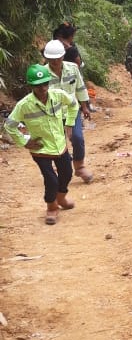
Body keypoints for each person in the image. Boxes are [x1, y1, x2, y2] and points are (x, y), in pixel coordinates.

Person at [3, 64, 78, 224]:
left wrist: (70, 123)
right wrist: (24, 141)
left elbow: (73, 104)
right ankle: (52, 207)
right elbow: (9, 125)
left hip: (60, 144)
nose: (43, 88)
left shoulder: (58, 95)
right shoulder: (24, 105)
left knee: (67, 173)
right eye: (38, 85)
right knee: (51, 180)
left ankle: (61, 198)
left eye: (45, 84)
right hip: (40, 149)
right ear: (31, 86)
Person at [43, 39, 93, 183]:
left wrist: (85, 107)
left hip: (72, 110)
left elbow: (80, 87)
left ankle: (79, 166)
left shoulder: (72, 69)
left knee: (77, 138)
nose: (55, 61)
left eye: (58, 58)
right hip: (53, 114)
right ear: (47, 58)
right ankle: (60, 170)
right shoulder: (43, 74)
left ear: (63, 56)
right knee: (57, 143)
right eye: (52, 59)